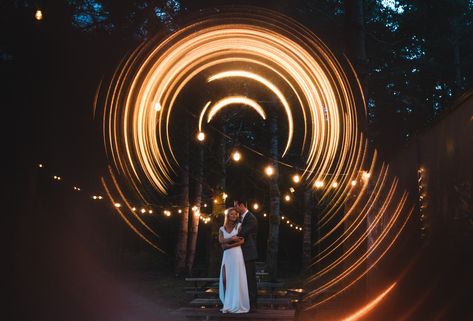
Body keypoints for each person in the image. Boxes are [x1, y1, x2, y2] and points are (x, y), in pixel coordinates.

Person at [218, 208, 250, 313]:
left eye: (236, 214)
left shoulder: (239, 227)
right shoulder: (221, 229)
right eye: (232, 214)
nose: (234, 215)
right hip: (226, 256)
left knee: (236, 279)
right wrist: (232, 239)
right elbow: (221, 241)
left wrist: (228, 246)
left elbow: (242, 241)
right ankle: (227, 303)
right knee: (224, 279)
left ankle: (235, 303)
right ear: (228, 215)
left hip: (236, 255)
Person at [233, 199, 258, 311]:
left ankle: (253, 304)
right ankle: (244, 302)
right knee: (243, 279)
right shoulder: (240, 218)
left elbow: (243, 232)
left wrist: (230, 233)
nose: (235, 209)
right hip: (240, 252)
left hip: (248, 252)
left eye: (236, 206)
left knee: (250, 278)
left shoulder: (251, 218)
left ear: (241, 205)